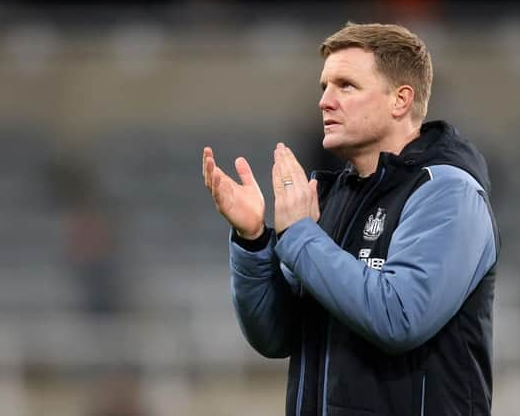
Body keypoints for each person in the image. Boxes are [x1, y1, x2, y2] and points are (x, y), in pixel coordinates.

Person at [202, 22, 499, 416]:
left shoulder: (448, 193)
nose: (325, 101)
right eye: (324, 87)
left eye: (346, 86)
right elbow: (276, 337)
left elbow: (400, 316)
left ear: (400, 100)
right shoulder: (334, 195)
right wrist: (254, 239)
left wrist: (301, 237)